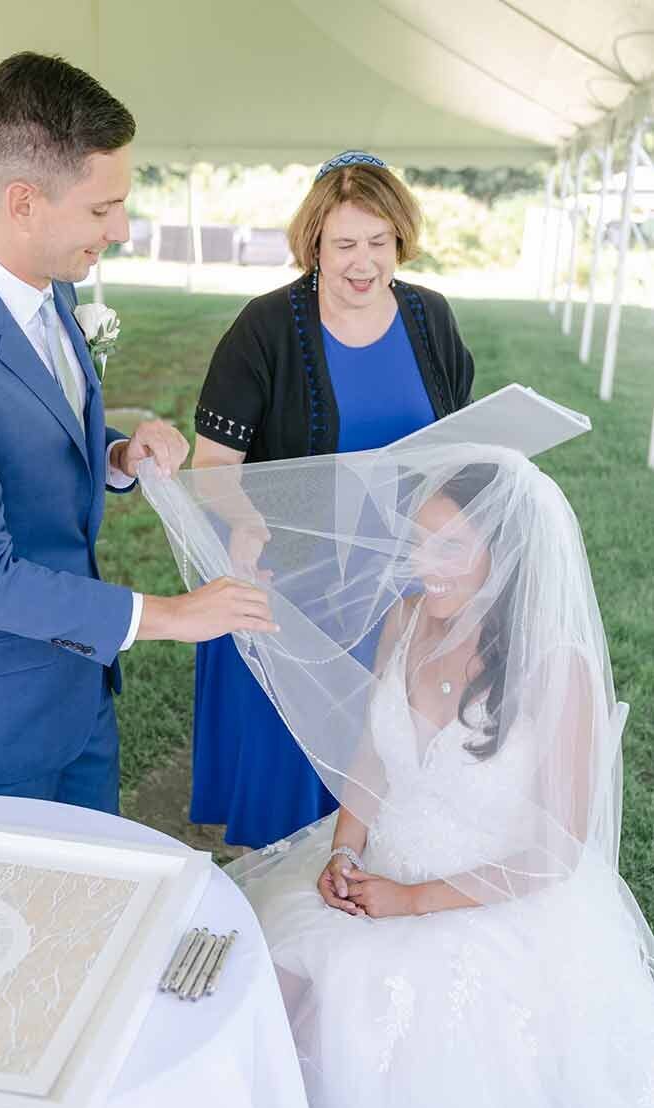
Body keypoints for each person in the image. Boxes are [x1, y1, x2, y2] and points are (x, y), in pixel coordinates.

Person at [144, 442, 654, 1108]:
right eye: (417, 543)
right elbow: (371, 765)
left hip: (491, 898)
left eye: (446, 550)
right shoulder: (408, 621)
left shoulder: (558, 665)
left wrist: (411, 900)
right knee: (275, 972)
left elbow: (552, 852)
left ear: (503, 558)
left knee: (368, 1010)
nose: (421, 565)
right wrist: (345, 851)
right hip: (376, 866)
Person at [0, 52, 275, 812]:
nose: (119, 229)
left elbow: (29, 430)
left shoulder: (44, 284)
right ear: (23, 201)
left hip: (77, 685)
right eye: (100, 209)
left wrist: (116, 452)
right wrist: (170, 615)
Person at [190, 152, 474, 849]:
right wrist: (248, 520)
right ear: (312, 242)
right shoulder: (265, 327)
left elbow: (459, 440)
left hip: (407, 577)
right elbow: (214, 464)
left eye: (378, 243)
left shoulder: (428, 317)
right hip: (298, 577)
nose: (362, 262)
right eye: (344, 244)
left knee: (391, 765)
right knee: (293, 784)